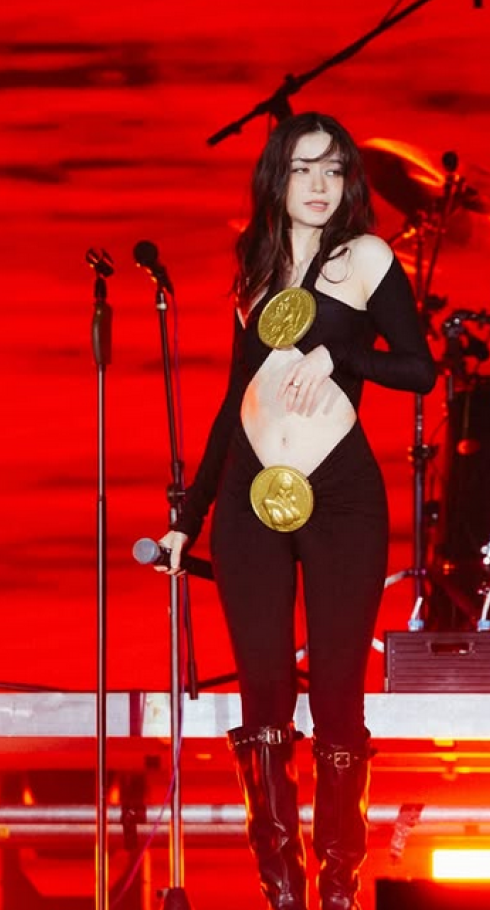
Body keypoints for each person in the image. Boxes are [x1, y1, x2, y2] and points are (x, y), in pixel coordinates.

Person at [156, 112, 436, 910]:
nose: (319, 185)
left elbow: (420, 369)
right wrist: (189, 516)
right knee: (265, 694)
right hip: (251, 496)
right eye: (304, 168)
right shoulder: (256, 269)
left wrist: (338, 352)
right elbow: (231, 402)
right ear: (276, 178)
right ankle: (281, 890)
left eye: (334, 169)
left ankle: (339, 887)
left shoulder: (366, 258)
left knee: (339, 694)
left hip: (340, 496)